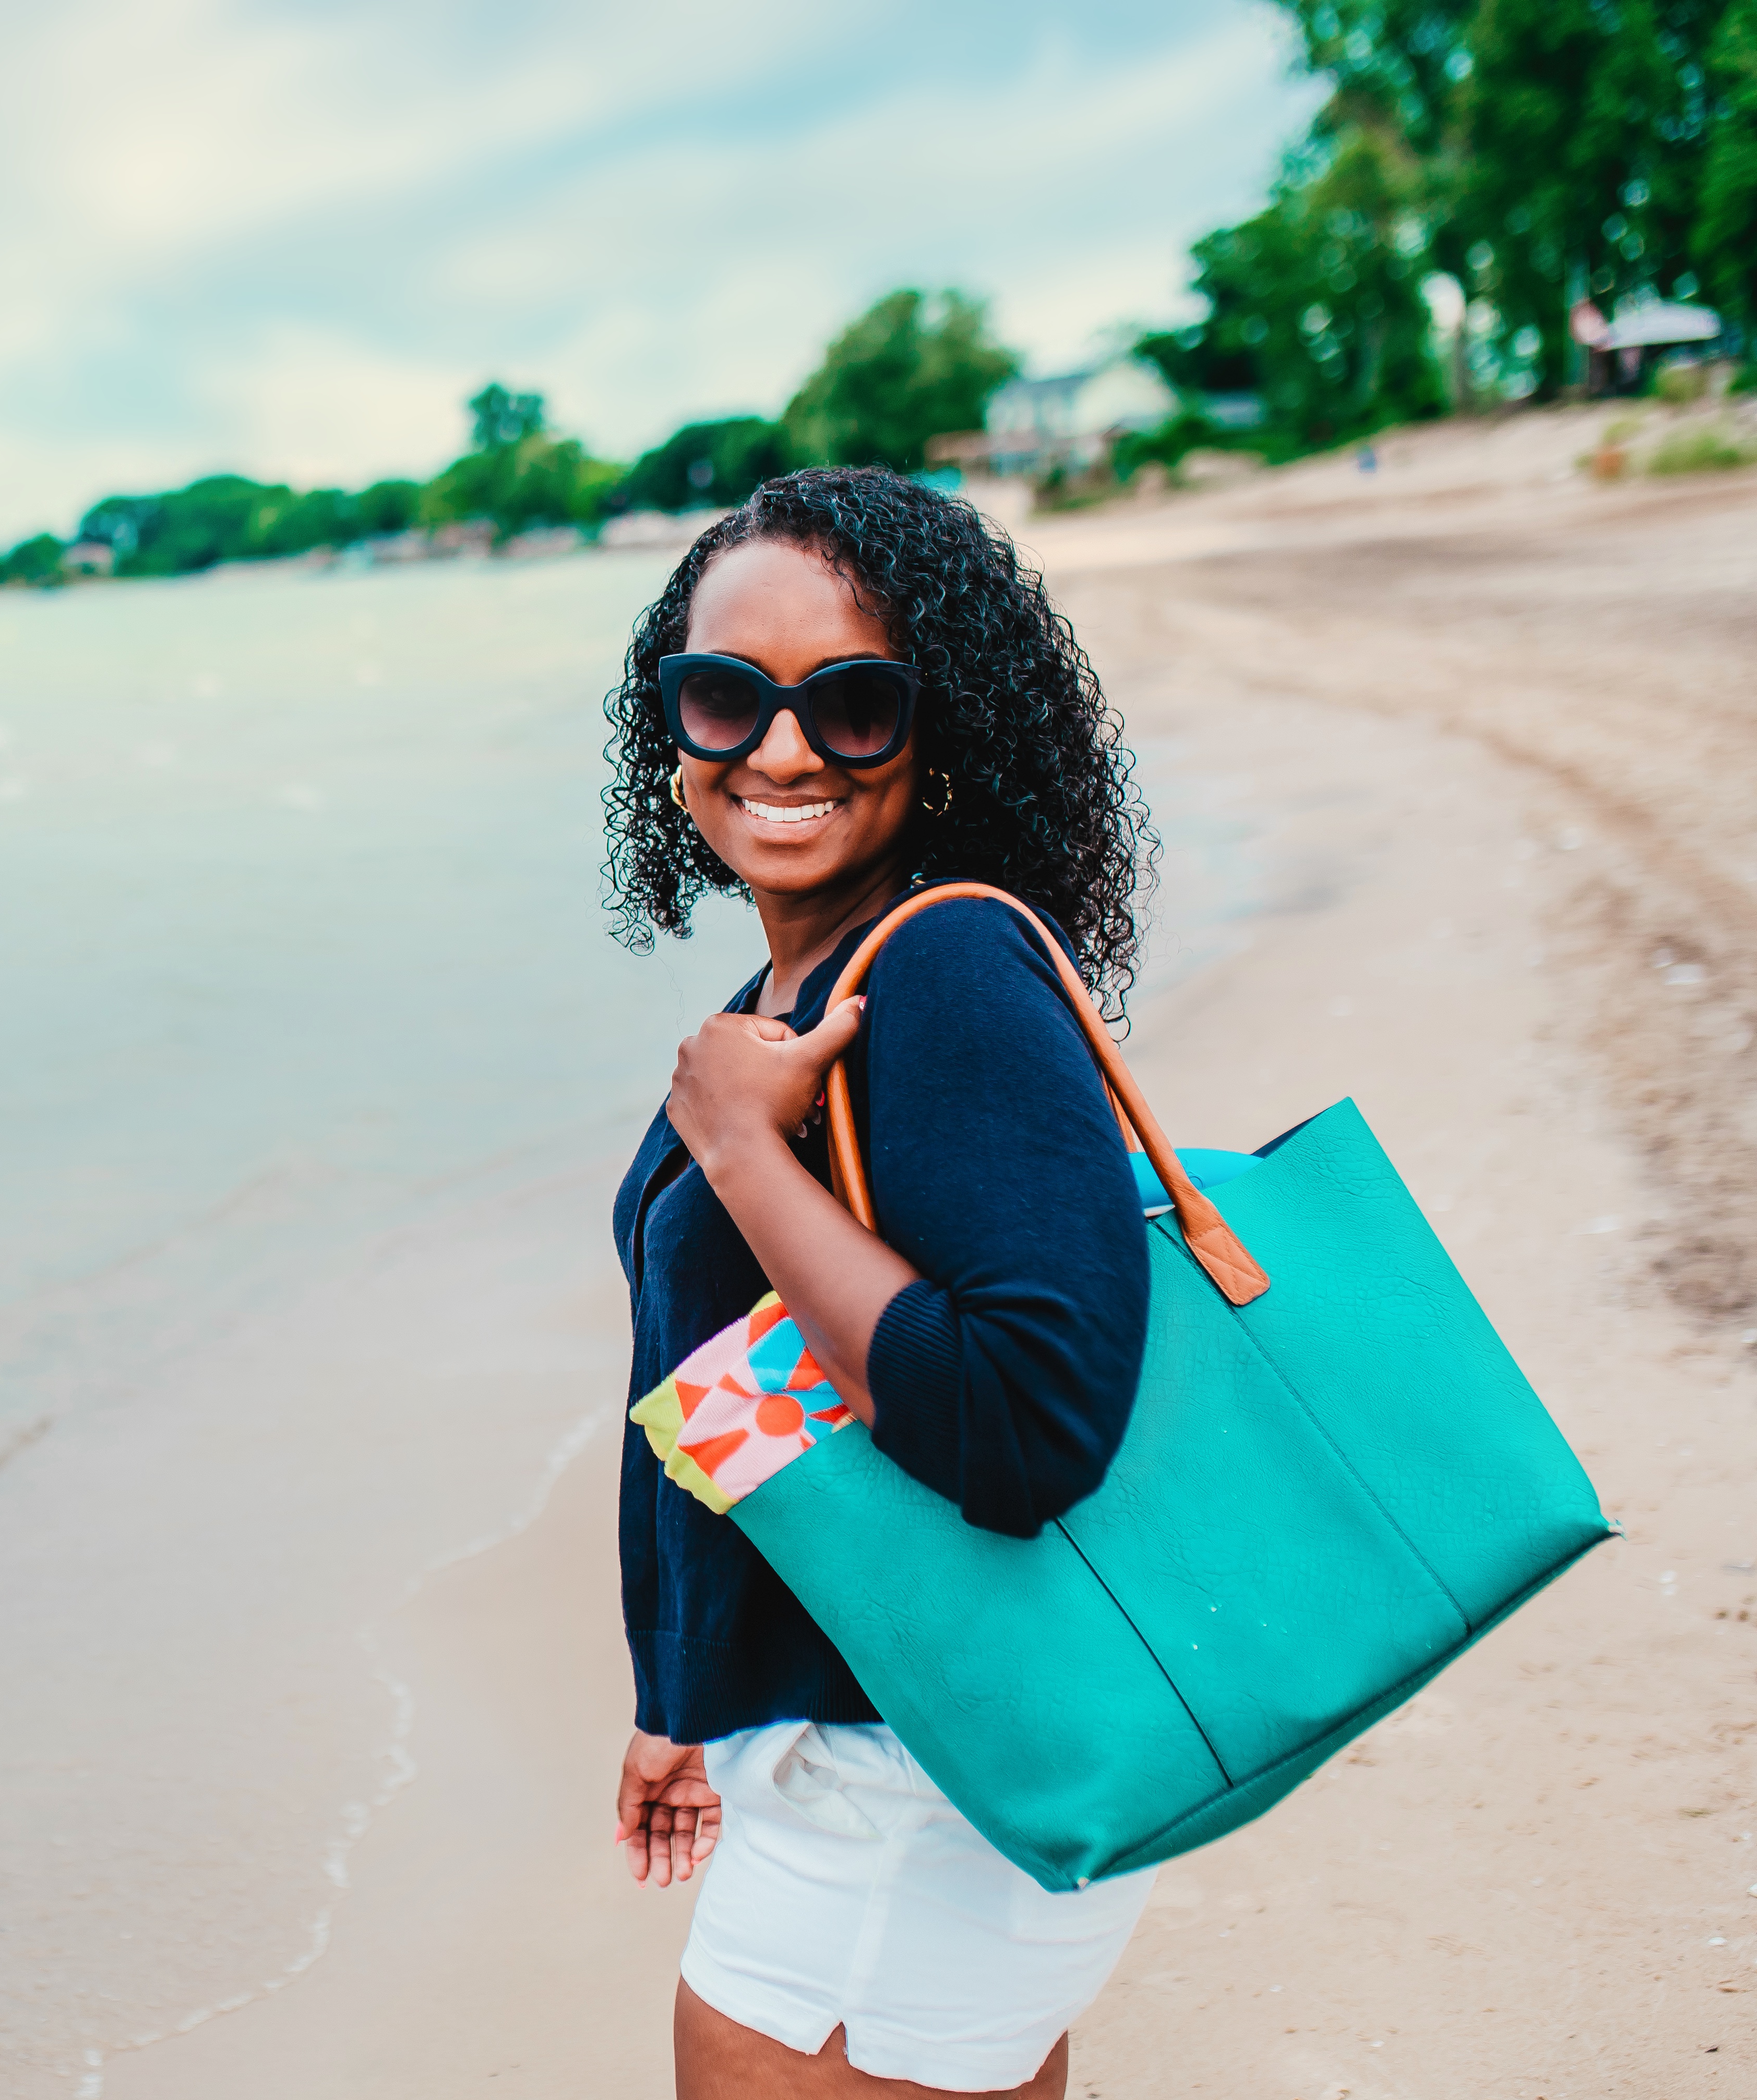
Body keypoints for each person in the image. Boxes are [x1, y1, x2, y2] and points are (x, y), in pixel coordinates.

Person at [599, 468, 1159, 2097]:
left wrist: (742, 1153)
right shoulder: (810, 979)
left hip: (909, 1786)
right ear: (671, 724)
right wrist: (689, 1690)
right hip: (880, 1749)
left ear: (942, 728)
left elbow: (1027, 1421)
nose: (777, 751)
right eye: (724, 696)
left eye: (851, 705)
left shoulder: (945, 971)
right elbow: (743, 1374)